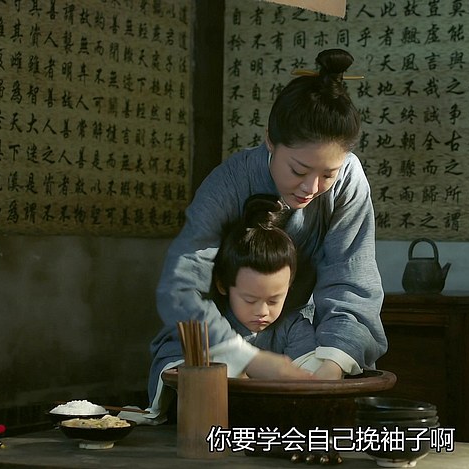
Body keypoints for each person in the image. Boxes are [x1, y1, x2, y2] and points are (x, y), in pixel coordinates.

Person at [146, 48, 387, 415]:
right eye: (298, 170)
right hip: (216, 338)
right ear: (270, 141)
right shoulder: (229, 182)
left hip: (298, 337)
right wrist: (247, 359)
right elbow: (181, 287)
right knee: (208, 401)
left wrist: (331, 366)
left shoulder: (349, 181)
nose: (310, 188)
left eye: (328, 174)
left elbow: (351, 282)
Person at [212, 194, 319, 374]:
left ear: (289, 286)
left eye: (273, 301)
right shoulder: (212, 326)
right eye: (250, 300)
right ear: (222, 285)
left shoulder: (294, 328)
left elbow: (307, 376)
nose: (262, 312)